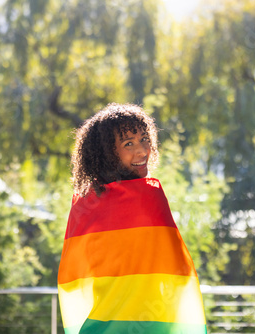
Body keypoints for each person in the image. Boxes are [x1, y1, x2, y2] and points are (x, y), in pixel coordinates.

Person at [58, 103, 207, 334]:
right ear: (107, 153)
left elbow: (77, 278)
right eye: (129, 143)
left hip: (101, 326)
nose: (142, 150)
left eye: (145, 139)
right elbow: (178, 273)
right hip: (150, 323)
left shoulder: (83, 204)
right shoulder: (149, 197)